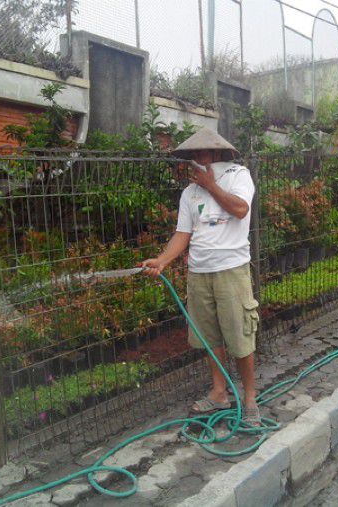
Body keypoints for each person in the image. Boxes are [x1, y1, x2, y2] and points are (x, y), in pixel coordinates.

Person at [141, 128, 261, 425]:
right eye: (193, 154)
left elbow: (240, 209)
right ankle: (219, 393)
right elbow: (183, 233)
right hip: (199, 272)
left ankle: (249, 398)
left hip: (231, 270)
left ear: (218, 153)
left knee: (240, 337)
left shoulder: (238, 175)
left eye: (203, 153)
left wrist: (211, 186)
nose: (197, 159)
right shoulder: (189, 193)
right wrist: (162, 260)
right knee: (209, 338)